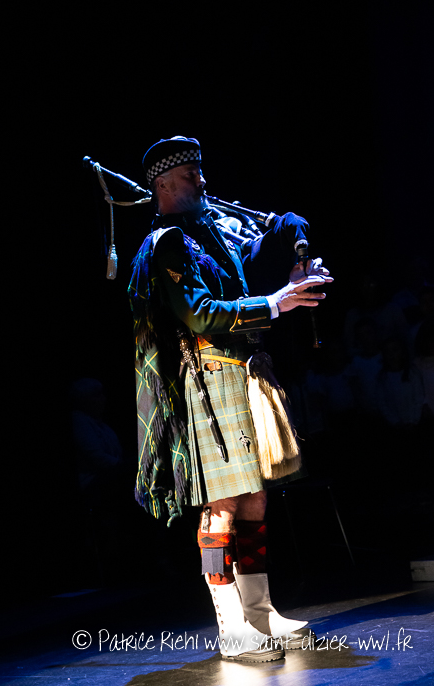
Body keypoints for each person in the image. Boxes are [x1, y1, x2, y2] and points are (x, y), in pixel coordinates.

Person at [128, 136, 333, 662]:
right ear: (164, 185)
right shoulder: (167, 244)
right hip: (209, 379)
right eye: (190, 175)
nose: (202, 180)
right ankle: (231, 626)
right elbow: (199, 315)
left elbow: (265, 246)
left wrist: (293, 252)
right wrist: (276, 303)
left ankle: (260, 613)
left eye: (200, 171)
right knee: (220, 506)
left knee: (255, 499)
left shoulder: (208, 235)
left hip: (244, 373)